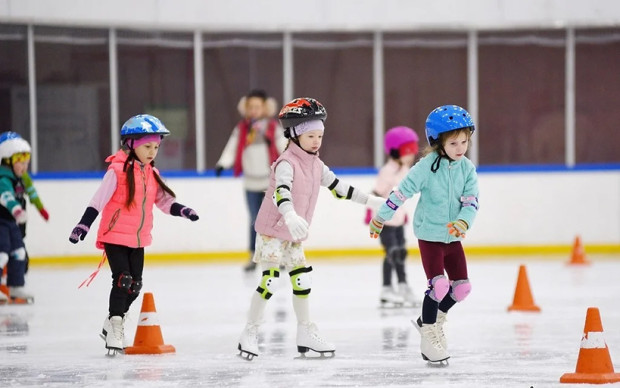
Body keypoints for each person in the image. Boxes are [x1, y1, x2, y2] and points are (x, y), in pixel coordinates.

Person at [237, 97, 385, 360]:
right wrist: (290, 214)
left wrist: (371, 201)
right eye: (311, 136)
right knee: (270, 281)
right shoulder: (286, 162)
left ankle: (305, 331)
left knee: (302, 280)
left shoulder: (316, 164)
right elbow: (280, 192)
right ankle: (250, 332)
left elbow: (340, 188)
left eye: (320, 135)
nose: (317, 141)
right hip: (273, 231)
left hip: (293, 235)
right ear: (294, 134)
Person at [68, 114, 199, 355]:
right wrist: (82, 226)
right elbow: (97, 201)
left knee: (135, 285)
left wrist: (183, 211)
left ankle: (112, 320)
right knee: (123, 280)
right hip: (114, 235)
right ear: (131, 144)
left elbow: (164, 202)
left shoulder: (151, 173)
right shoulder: (116, 171)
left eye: (156, 147)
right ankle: (117, 325)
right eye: (147, 146)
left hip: (138, 239)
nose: (153, 152)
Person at [369, 105, 479, 364]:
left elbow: (471, 201)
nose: (460, 147)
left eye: (464, 141)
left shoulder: (467, 168)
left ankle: (432, 317)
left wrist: (463, 222)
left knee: (462, 288)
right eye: (453, 142)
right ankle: (428, 333)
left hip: (453, 239)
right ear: (437, 142)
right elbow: (400, 192)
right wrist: (380, 217)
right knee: (439, 285)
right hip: (430, 235)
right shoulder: (425, 167)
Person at [214, 89, 287, 272]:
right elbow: (232, 147)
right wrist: (223, 163)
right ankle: (253, 256)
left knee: (275, 219)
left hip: (271, 182)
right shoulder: (242, 129)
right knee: (255, 220)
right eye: (251, 107)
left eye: (258, 106)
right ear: (246, 108)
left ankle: (281, 255)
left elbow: (284, 147)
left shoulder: (272, 128)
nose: (254, 110)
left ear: (265, 108)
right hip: (250, 182)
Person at [366, 126, 419, 307]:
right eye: (408, 151)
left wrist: (403, 214)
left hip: (397, 221)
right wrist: (371, 214)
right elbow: (377, 194)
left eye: (413, 150)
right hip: (385, 222)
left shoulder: (404, 169)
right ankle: (387, 289)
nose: (412, 155)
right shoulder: (387, 171)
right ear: (396, 151)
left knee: (401, 253)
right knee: (392, 253)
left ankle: (403, 286)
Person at [0, 131, 36, 304]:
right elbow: (6, 196)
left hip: (11, 223)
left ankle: (15, 285)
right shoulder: (4, 178)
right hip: (2, 222)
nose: (24, 166)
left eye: (26, 162)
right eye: (20, 162)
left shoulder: (18, 178)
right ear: (7, 160)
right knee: (2, 255)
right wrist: (16, 211)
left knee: (19, 252)